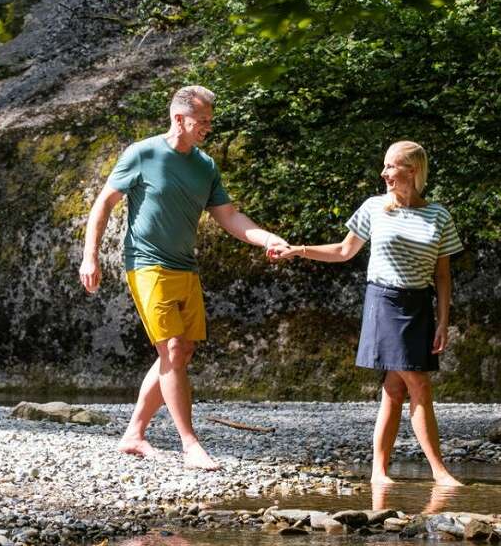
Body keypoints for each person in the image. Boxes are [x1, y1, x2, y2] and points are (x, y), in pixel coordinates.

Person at [79, 85, 288, 470]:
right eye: (202, 120)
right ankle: (190, 444)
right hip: (146, 263)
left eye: (210, 120)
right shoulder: (142, 153)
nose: (208, 127)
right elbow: (103, 204)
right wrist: (90, 256)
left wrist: (266, 239)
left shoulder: (205, 165)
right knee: (172, 349)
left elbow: (230, 217)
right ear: (180, 118)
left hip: (184, 266)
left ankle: (133, 435)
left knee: (183, 350)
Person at [274, 141, 464, 486]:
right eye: (385, 166)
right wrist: (298, 250)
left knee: (394, 387)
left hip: (419, 304)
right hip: (385, 300)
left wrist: (443, 320)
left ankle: (379, 472)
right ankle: (440, 472)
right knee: (418, 382)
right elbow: (344, 251)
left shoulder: (439, 215)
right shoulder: (375, 207)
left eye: (391, 166)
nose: (384, 173)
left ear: (413, 170)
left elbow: (442, 275)